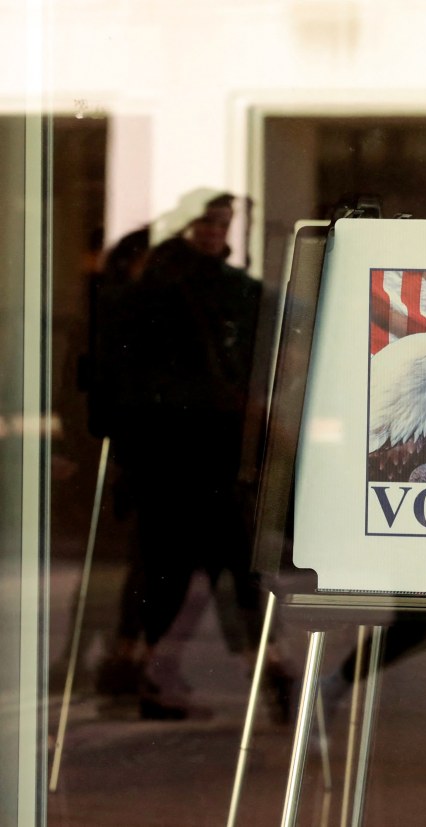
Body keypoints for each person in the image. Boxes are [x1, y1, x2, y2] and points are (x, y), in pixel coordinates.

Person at [94, 192, 289, 720]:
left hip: (182, 448)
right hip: (191, 447)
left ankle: (165, 668)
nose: (214, 232)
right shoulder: (180, 290)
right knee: (209, 560)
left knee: (180, 562)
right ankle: (261, 668)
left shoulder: (164, 289)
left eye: (221, 223)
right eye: (207, 222)